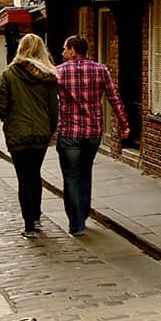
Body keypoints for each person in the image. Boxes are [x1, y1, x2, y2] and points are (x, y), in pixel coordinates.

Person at [54, 34, 130, 236]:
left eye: (64, 49)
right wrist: (124, 124)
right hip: (93, 131)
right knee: (85, 173)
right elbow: (114, 98)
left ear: (71, 49)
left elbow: (51, 103)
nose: (62, 53)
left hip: (69, 131)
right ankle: (83, 213)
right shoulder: (100, 69)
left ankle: (76, 223)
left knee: (71, 176)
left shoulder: (59, 72)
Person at [0, 33, 61, 234]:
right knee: (35, 174)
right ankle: (36, 215)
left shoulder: (9, 74)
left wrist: (8, 120)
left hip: (18, 132)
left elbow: (2, 106)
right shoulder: (49, 76)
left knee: (24, 178)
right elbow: (54, 109)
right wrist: (49, 130)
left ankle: (29, 225)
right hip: (40, 132)